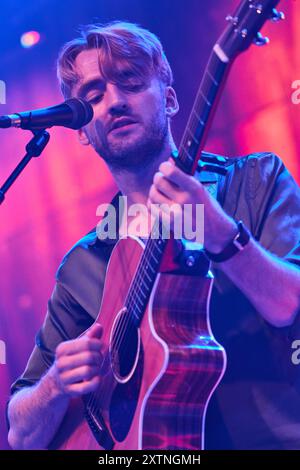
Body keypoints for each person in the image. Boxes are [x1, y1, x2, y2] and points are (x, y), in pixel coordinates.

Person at [7, 21, 300, 450]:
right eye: (92, 96)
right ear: (83, 132)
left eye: (129, 82)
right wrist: (55, 384)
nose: (113, 103)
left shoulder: (254, 181)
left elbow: (289, 303)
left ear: (169, 98)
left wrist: (222, 234)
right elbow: (20, 435)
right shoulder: (84, 264)